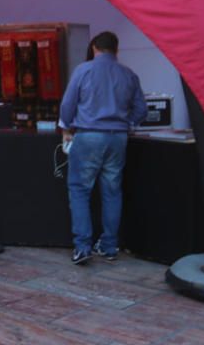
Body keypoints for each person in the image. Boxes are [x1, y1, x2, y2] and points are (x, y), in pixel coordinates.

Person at [59, 31, 147, 266]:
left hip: (88, 135)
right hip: (118, 137)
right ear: (116, 50)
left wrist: (66, 126)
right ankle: (109, 246)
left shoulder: (83, 70)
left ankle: (82, 246)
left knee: (79, 190)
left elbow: (67, 105)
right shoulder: (128, 74)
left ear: (95, 47)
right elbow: (141, 110)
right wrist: (127, 123)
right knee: (112, 191)